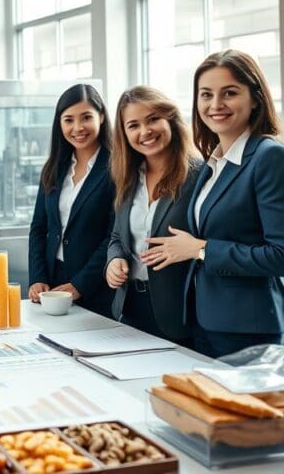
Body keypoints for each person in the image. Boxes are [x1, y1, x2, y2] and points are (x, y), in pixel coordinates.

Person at [146, 50, 284, 358]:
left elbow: (280, 255)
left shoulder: (268, 157)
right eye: (206, 94)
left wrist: (201, 249)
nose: (215, 105)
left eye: (230, 93)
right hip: (203, 321)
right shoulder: (214, 162)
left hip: (248, 328)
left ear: (256, 98)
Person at [105, 86, 202, 343]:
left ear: (170, 119)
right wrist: (114, 260)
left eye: (152, 120)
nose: (144, 132)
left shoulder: (199, 175)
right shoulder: (128, 178)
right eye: (133, 125)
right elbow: (118, 236)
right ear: (124, 134)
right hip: (130, 309)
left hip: (180, 315)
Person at [28, 84, 115, 317]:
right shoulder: (54, 168)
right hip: (53, 282)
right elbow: (39, 228)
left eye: (86, 117)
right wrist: (38, 278)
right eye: (68, 120)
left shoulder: (117, 168)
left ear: (102, 117)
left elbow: (113, 236)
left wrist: (80, 284)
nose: (77, 128)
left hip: (96, 285)